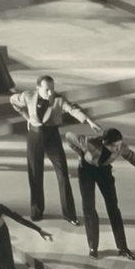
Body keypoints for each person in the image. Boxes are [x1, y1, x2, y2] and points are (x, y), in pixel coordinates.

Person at [10, 75, 97, 224]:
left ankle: (69, 214)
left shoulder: (58, 99)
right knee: (35, 175)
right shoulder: (28, 96)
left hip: (52, 138)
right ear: (38, 88)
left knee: (63, 175)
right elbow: (13, 100)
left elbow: (73, 109)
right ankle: (36, 211)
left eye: (52, 89)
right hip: (34, 138)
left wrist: (88, 121)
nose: (50, 93)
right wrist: (26, 117)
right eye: (47, 89)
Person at [71, 127, 135, 261]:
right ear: (105, 143)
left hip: (104, 171)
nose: (118, 149)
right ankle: (93, 247)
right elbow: (70, 136)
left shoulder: (121, 147)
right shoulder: (90, 143)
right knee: (89, 208)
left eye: (120, 145)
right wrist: (80, 154)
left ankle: (123, 247)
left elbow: (133, 158)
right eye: (115, 146)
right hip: (86, 171)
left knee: (113, 209)